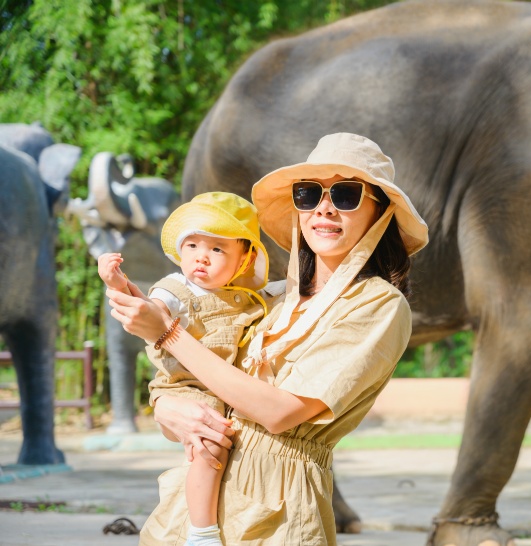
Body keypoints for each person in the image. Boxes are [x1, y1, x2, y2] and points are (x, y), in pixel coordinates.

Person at [106, 132, 428, 545]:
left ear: (379, 214)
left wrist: (168, 333)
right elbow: (201, 388)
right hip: (193, 513)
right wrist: (167, 409)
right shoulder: (265, 300)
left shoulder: (378, 306)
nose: (324, 208)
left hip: (278, 515)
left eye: (346, 195)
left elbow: (279, 412)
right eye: (309, 194)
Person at [98, 191, 271, 546]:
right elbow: (146, 308)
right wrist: (115, 281)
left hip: (229, 387)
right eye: (192, 245)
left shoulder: (248, 296)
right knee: (209, 448)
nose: (201, 258)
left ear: (245, 258)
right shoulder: (176, 288)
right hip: (186, 385)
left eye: (217, 249)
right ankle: (202, 531)